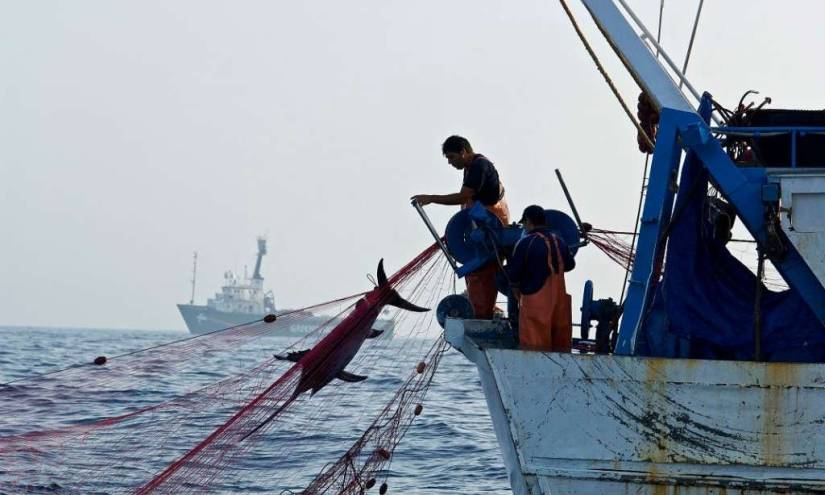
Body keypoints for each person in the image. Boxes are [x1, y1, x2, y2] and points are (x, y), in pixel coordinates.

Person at [411, 135, 510, 319]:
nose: (450, 162)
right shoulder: (470, 167)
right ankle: (482, 309)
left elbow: (463, 197)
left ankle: (483, 314)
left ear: (463, 152)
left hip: (491, 225)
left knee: (483, 270)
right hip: (481, 225)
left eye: (451, 157)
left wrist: (431, 198)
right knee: (476, 269)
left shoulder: (479, 166)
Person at [506, 205, 575, 351]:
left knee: (534, 347)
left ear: (529, 221)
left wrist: (515, 288)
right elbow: (570, 265)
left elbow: (513, 274)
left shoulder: (525, 242)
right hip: (558, 302)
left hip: (535, 304)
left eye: (524, 223)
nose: (524, 226)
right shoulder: (559, 241)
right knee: (559, 345)